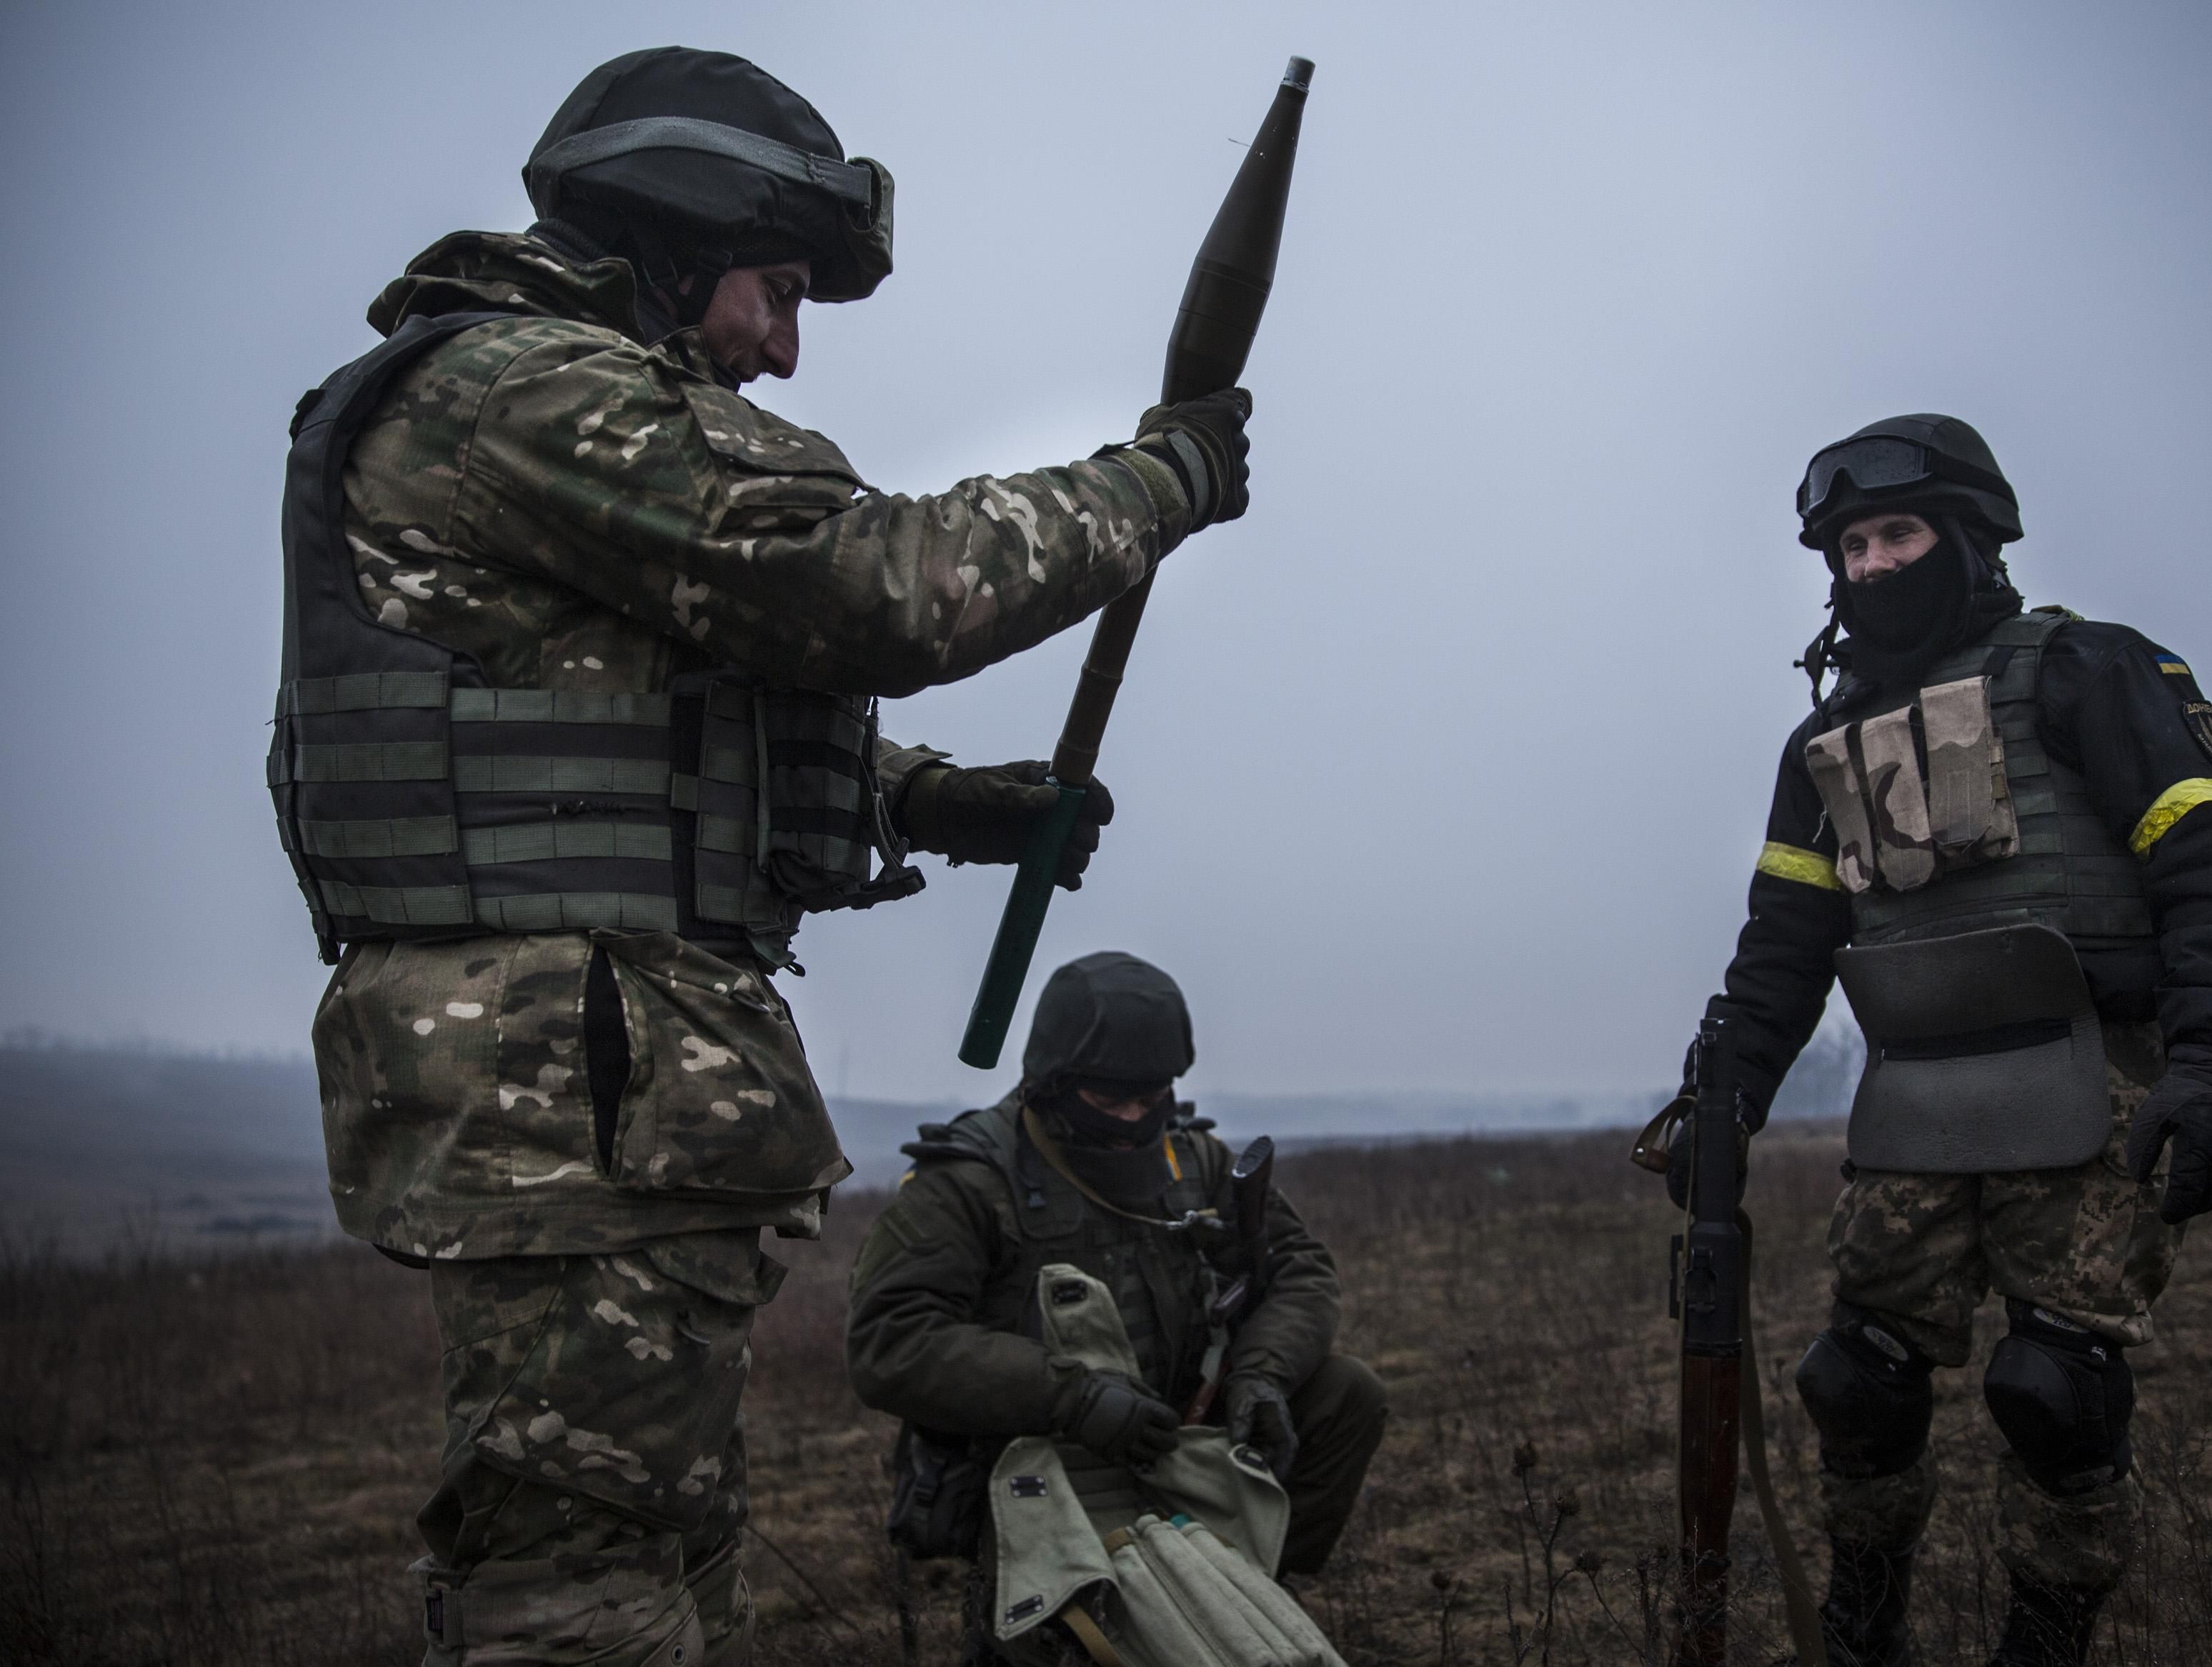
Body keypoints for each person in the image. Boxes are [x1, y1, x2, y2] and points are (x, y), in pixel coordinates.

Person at [269, 47, 1254, 1667]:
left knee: (656, 1545)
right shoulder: (524, 391)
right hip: (565, 1092)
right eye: (778, 290)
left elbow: (633, 738)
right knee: (578, 1586)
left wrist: (934, 800)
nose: (785, 348)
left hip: (606, 1089)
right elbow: (868, 583)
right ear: (675, 231)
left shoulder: (544, 415)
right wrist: (1161, 481)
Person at [1673, 416, 2212, 1667]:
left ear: (1966, 536)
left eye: (1898, 533)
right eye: (1850, 544)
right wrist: (1723, 1098)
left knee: (2052, 1391)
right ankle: (1862, 1622)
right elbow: (1784, 943)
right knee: (1854, 1381)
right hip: (1915, 1102)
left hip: (2090, 1086)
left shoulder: (2090, 671)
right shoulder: (1822, 747)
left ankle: (2047, 1637)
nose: (1872, 565)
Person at [846, 952, 1387, 1655]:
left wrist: (1262, 1374)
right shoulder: (971, 1181)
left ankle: (1245, 1584)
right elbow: (890, 1341)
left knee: (1348, 1392)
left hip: (1178, 1430)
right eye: (1109, 1100)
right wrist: (1072, 1396)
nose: (1135, 1118)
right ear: (1051, 1080)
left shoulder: (1194, 1160)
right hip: (1035, 1454)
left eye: (1151, 1095)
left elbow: (1300, 1271)